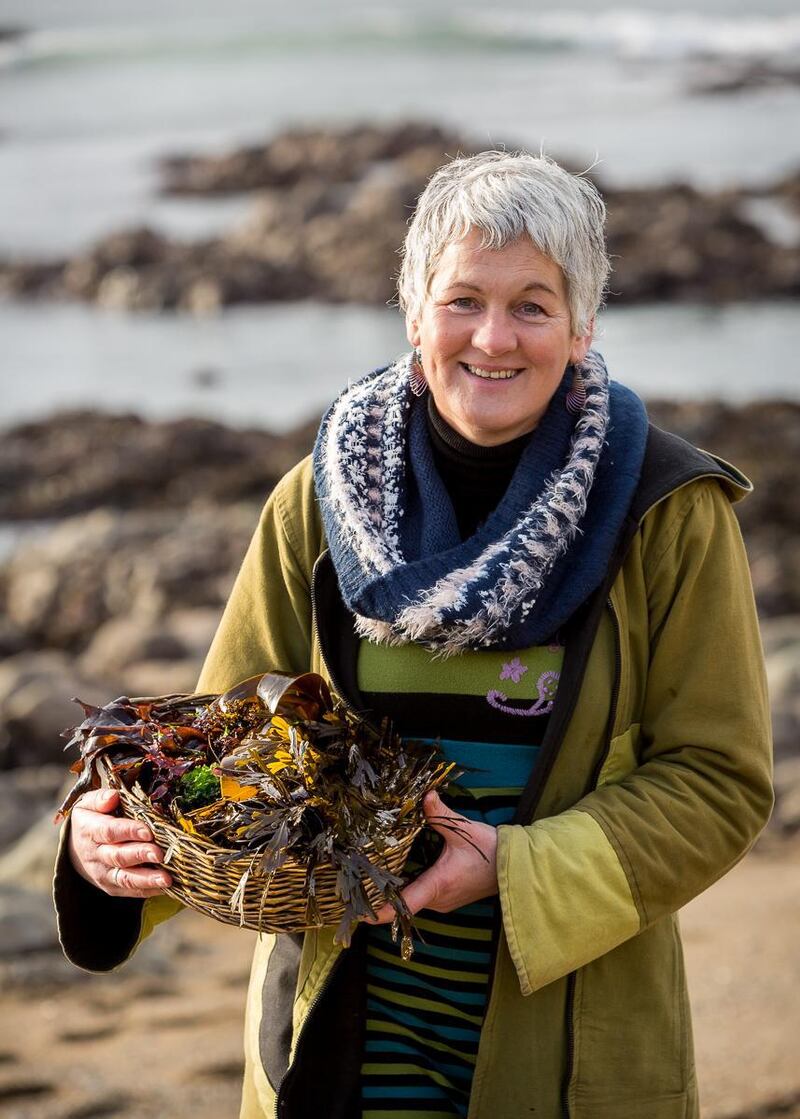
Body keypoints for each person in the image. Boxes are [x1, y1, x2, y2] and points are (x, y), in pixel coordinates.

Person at [55, 151, 773, 1119]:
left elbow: (717, 779)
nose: (492, 338)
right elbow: (215, 747)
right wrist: (112, 844)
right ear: (412, 311)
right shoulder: (318, 505)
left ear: (582, 324)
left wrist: (515, 871)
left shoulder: (664, 514)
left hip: (565, 1057)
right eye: (461, 299)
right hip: (333, 1054)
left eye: (532, 305)